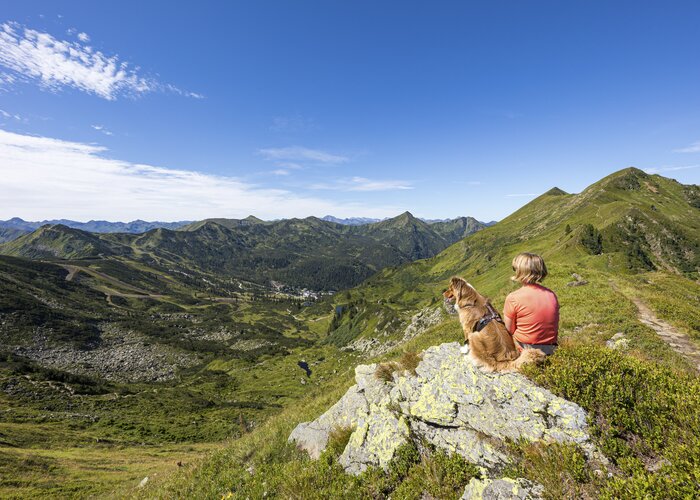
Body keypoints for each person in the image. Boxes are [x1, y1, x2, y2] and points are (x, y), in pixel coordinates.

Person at [503, 252, 559, 356]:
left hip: (525, 350)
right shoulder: (552, 295)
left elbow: (508, 330)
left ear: (521, 271)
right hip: (551, 349)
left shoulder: (513, 298)